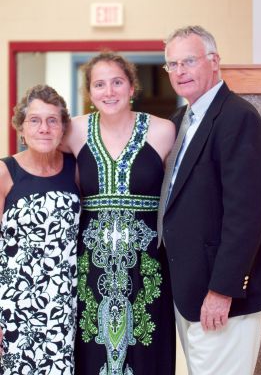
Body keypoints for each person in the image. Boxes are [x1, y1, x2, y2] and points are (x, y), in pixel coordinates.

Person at [157, 25, 261, 375]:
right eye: (171, 65)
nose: (179, 72)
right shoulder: (181, 120)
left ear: (214, 61)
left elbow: (247, 214)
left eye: (188, 61)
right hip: (188, 290)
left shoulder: (238, 118)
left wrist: (222, 289)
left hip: (220, 295)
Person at [62, 52, 176, 374]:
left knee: (147, 354)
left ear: (131, 87)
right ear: (89, 91)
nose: (108, 91)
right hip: (91, 270)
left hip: (147, 270)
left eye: (116, 82)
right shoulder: (73, 130)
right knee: (91, 352)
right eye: (99, 84)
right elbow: (41, 164)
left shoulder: (163, 130)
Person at [0, 85, 81, 374]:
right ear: (21, 128)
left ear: (62, 129)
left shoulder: (75, 170)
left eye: (52, 120)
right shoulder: (5, 173)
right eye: (34, 120)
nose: (44, 128)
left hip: (63, 308)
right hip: (13, 309)